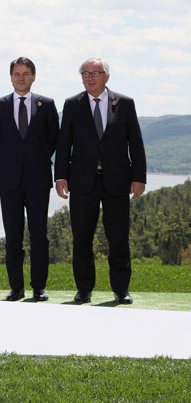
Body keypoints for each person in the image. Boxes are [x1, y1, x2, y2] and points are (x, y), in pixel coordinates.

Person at [55, 57, 146, 305]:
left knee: (118, 238)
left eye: (95, 73)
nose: (90, 78)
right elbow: (64, 145)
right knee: (82, 238)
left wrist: (139, 177)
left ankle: (120, 289)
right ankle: (84, 289)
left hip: (117, 181)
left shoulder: (124, 103)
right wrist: (60, 175)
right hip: (82, 182)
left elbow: (135, 143)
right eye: (85, 73)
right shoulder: (72, 104)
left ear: (106, 76)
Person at [0, 57, 59, 302]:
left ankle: (39, 286)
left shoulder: (46, 105)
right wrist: (12, 160)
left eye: (26, 73)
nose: (21, 77)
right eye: (17, 73)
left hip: (38, 178)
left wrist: (33, 160)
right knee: (13, 237)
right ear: (10, 77)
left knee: (40, 235)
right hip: (8, 180)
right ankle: (16, 287)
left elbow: (53, 140)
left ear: (33, 76)